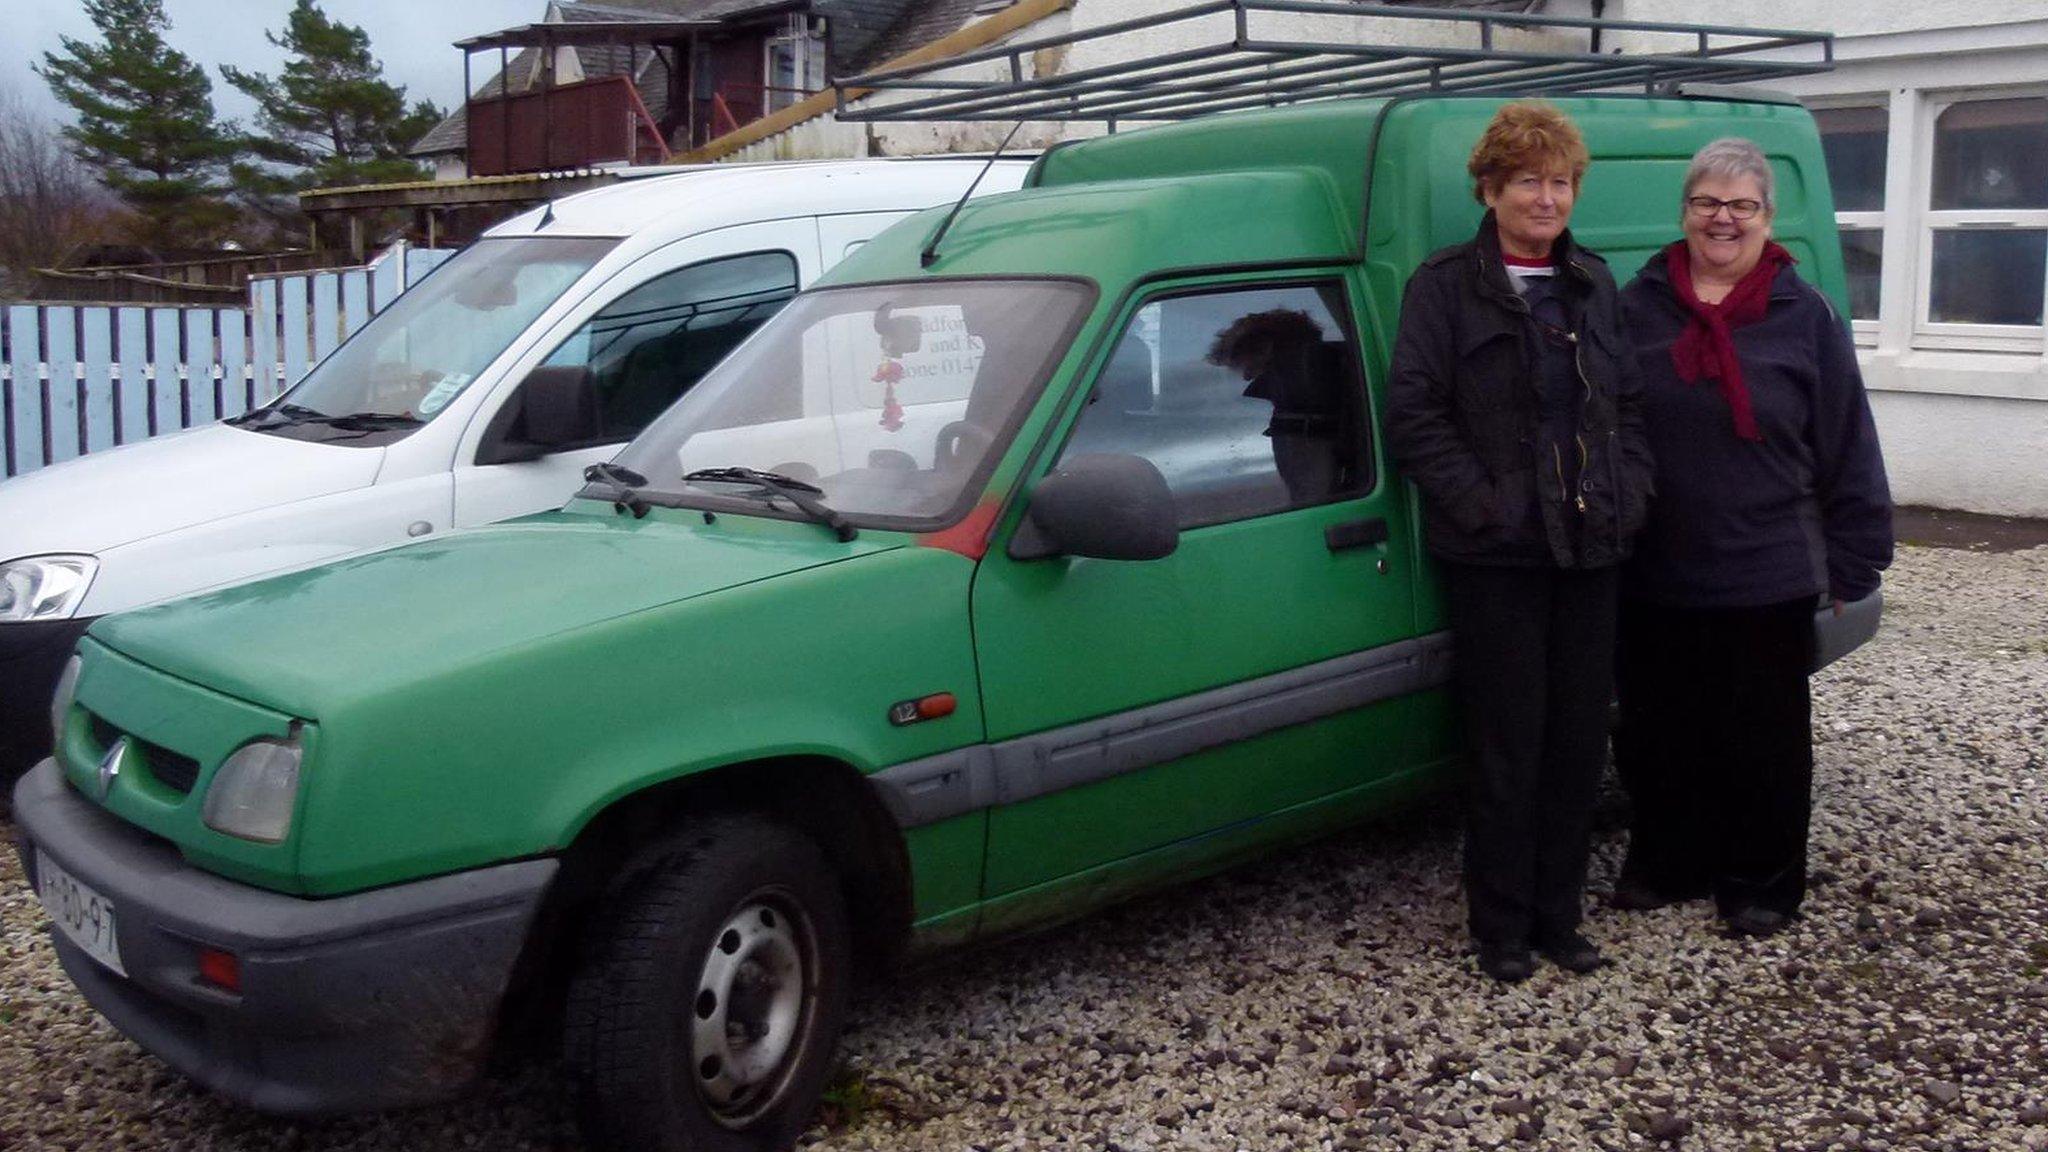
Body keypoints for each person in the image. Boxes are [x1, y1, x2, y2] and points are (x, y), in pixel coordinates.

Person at [1386, 102, 1655, 982]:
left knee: (1579, 744)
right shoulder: (1444, 286)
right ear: (1491, 188)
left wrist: (1632, 493)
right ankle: (1500, 928)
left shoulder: (1592, 280)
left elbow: (1629, 407)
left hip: (1591, 551)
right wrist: (1488, 507)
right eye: (1531, 180)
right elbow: (1415, 416)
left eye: (1562, 181)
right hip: (1499, 558)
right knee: (1508, 746)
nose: (1548, 197)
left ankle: (1559, 918)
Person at [1612, 137, 1893, 938]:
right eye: (1707, 202)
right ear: (1685, 212)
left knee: (1760, 741)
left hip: (1765, 569)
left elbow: (1848, 440)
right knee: (1656, 733)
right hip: (1653, 567)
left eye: (1741, 205)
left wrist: (1855, 557)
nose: (1723, 219)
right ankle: (1672, 860)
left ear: (1768, 218)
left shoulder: (1804, 316)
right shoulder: (1636, 308)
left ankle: (1761, 881)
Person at [1205, 307, 1352, 503]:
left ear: (1266, 349)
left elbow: (1308, 503)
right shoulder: (1299, 405)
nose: (1245, 377)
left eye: (1239, 365)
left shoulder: (1303, 421)